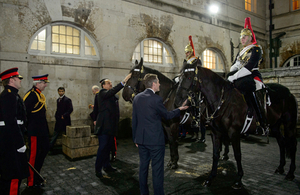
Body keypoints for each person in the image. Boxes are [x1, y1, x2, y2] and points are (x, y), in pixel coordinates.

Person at [132, 73, 189, 195]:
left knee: (143, 169)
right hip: (155, 141)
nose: (159, 84)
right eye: (158, 82)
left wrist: (135, 139)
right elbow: (167, 115)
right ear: (153, 84)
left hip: (141, 140)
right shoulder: (157, 99)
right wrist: (179, 109)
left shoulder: (137, 98)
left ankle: (144, 193)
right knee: (157, 171)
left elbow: (134, 120)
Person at [227, 17, 267, 134]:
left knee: (251, 89)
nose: (242, 39)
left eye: (244, 37)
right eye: (241, 37)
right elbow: (235, 65)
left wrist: (234, 76)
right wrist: (231, 73)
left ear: (250, 37)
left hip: (252, 75)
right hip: (241, 75)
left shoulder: (256, 49)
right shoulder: (241, 51)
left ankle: (261, 122)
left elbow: (249, 67)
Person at [94, 73, 131, 179]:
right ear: (103, 85)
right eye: (108, 83)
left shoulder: (112, 95)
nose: (110, 84)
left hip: (111, 126)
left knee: (108, 148)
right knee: (102, 148)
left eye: (111, 83)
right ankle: (98, 169)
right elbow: (111, 92)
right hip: (104, 126)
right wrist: (123, 82)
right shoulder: (101, 93)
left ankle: (107, 166)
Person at [0, 68, 29, 195]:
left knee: (14, 173)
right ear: (11, 80)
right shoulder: (9, 95)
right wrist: (19, 143)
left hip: (11, 138)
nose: (20, 81)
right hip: (11, 141)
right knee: (14, 173)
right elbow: (11, 121)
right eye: (18, 78)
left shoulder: (12, 94)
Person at [23, 74, 50, 188]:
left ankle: (36, 175)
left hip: (41, 131)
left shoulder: (39, 95)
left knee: (42, 152)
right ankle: (31, 181)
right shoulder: (31, 95)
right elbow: (25, 114)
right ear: (37, 83)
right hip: (34, 131)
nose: (45, 85)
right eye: (44, 83)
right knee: (33, 156)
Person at [184, 36, 206, 143]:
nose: (187, 54)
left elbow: (199, 73)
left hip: (196, 86)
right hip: (188, 86)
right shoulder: (186, 61)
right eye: (186, 52)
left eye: (188, 52)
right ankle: (193, 132)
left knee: (197, 107)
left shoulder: (197, 60)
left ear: (192, 52)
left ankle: (202, 136)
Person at [49, 87, 73, 151]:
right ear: (58, 92)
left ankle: (68, 147)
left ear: (64, 92)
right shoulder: (58, 100)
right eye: (59, 91)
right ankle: (50, 146)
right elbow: (58, 109)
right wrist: (56, 116)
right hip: (59, 120)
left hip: (65, 120)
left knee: (66, 134)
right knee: (55, 133)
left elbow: (70, 109)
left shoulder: (67, 100)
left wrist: (64, 115)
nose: (61, 92)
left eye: (62, 91)